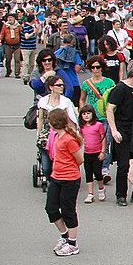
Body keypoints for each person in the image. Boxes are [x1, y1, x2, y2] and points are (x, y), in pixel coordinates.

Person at [105, 59, 133, 207]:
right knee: (123, 164)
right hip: (123, 127)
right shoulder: (120, 89)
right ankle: (121, 195)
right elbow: (110, 109)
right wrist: (114, 130)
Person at [44, 108, 83, 257]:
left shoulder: (68, 139)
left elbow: (80, 159)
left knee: (68, 210)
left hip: (70, 179)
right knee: (51, 208)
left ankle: (73, 243)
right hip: (56, 177)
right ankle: (64, 235)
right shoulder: (56, 136)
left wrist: (68, 167)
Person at [79, 105, 107, 203]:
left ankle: (101, 188)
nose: (86, 116)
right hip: (87, 153)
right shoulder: (82, 127)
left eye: (88, 113)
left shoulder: (98, 125)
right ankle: (90, 193)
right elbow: (81, 139)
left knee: (98, 172)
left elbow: (103, 139)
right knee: (88, 173)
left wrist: (103, 151)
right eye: (84, 114)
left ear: (93, 114)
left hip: (97, 153)